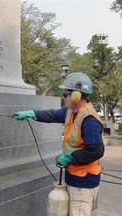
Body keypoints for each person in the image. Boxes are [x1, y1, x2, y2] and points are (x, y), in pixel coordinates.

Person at [12, 72, 104, 216]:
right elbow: (51, 115)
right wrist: (31, 114)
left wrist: (69, 157)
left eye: (65, 94)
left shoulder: (89, 119)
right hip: (73, 176)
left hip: (83, 181)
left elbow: (96, 151)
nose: (63, 97)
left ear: (76, 95)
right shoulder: (71, 111)